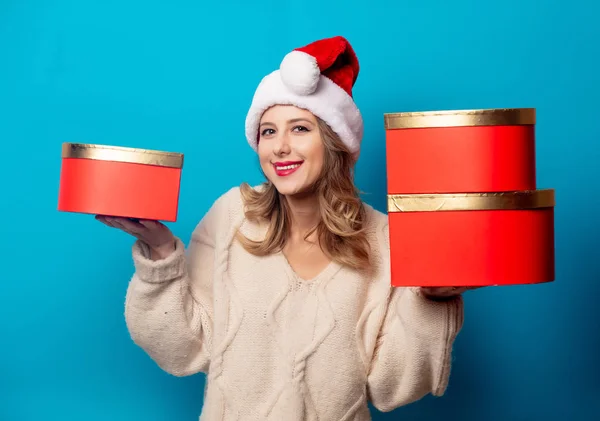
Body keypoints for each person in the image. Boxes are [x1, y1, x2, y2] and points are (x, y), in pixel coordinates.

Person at [97, 36, 470, 420]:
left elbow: (391, 387)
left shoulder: (387, 240)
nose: (279, 148)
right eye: (269, 132)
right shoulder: (231, 216)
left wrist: (433, 301)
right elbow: (185, 347)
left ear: (334, 141)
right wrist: (160, 254)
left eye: (300, 129)